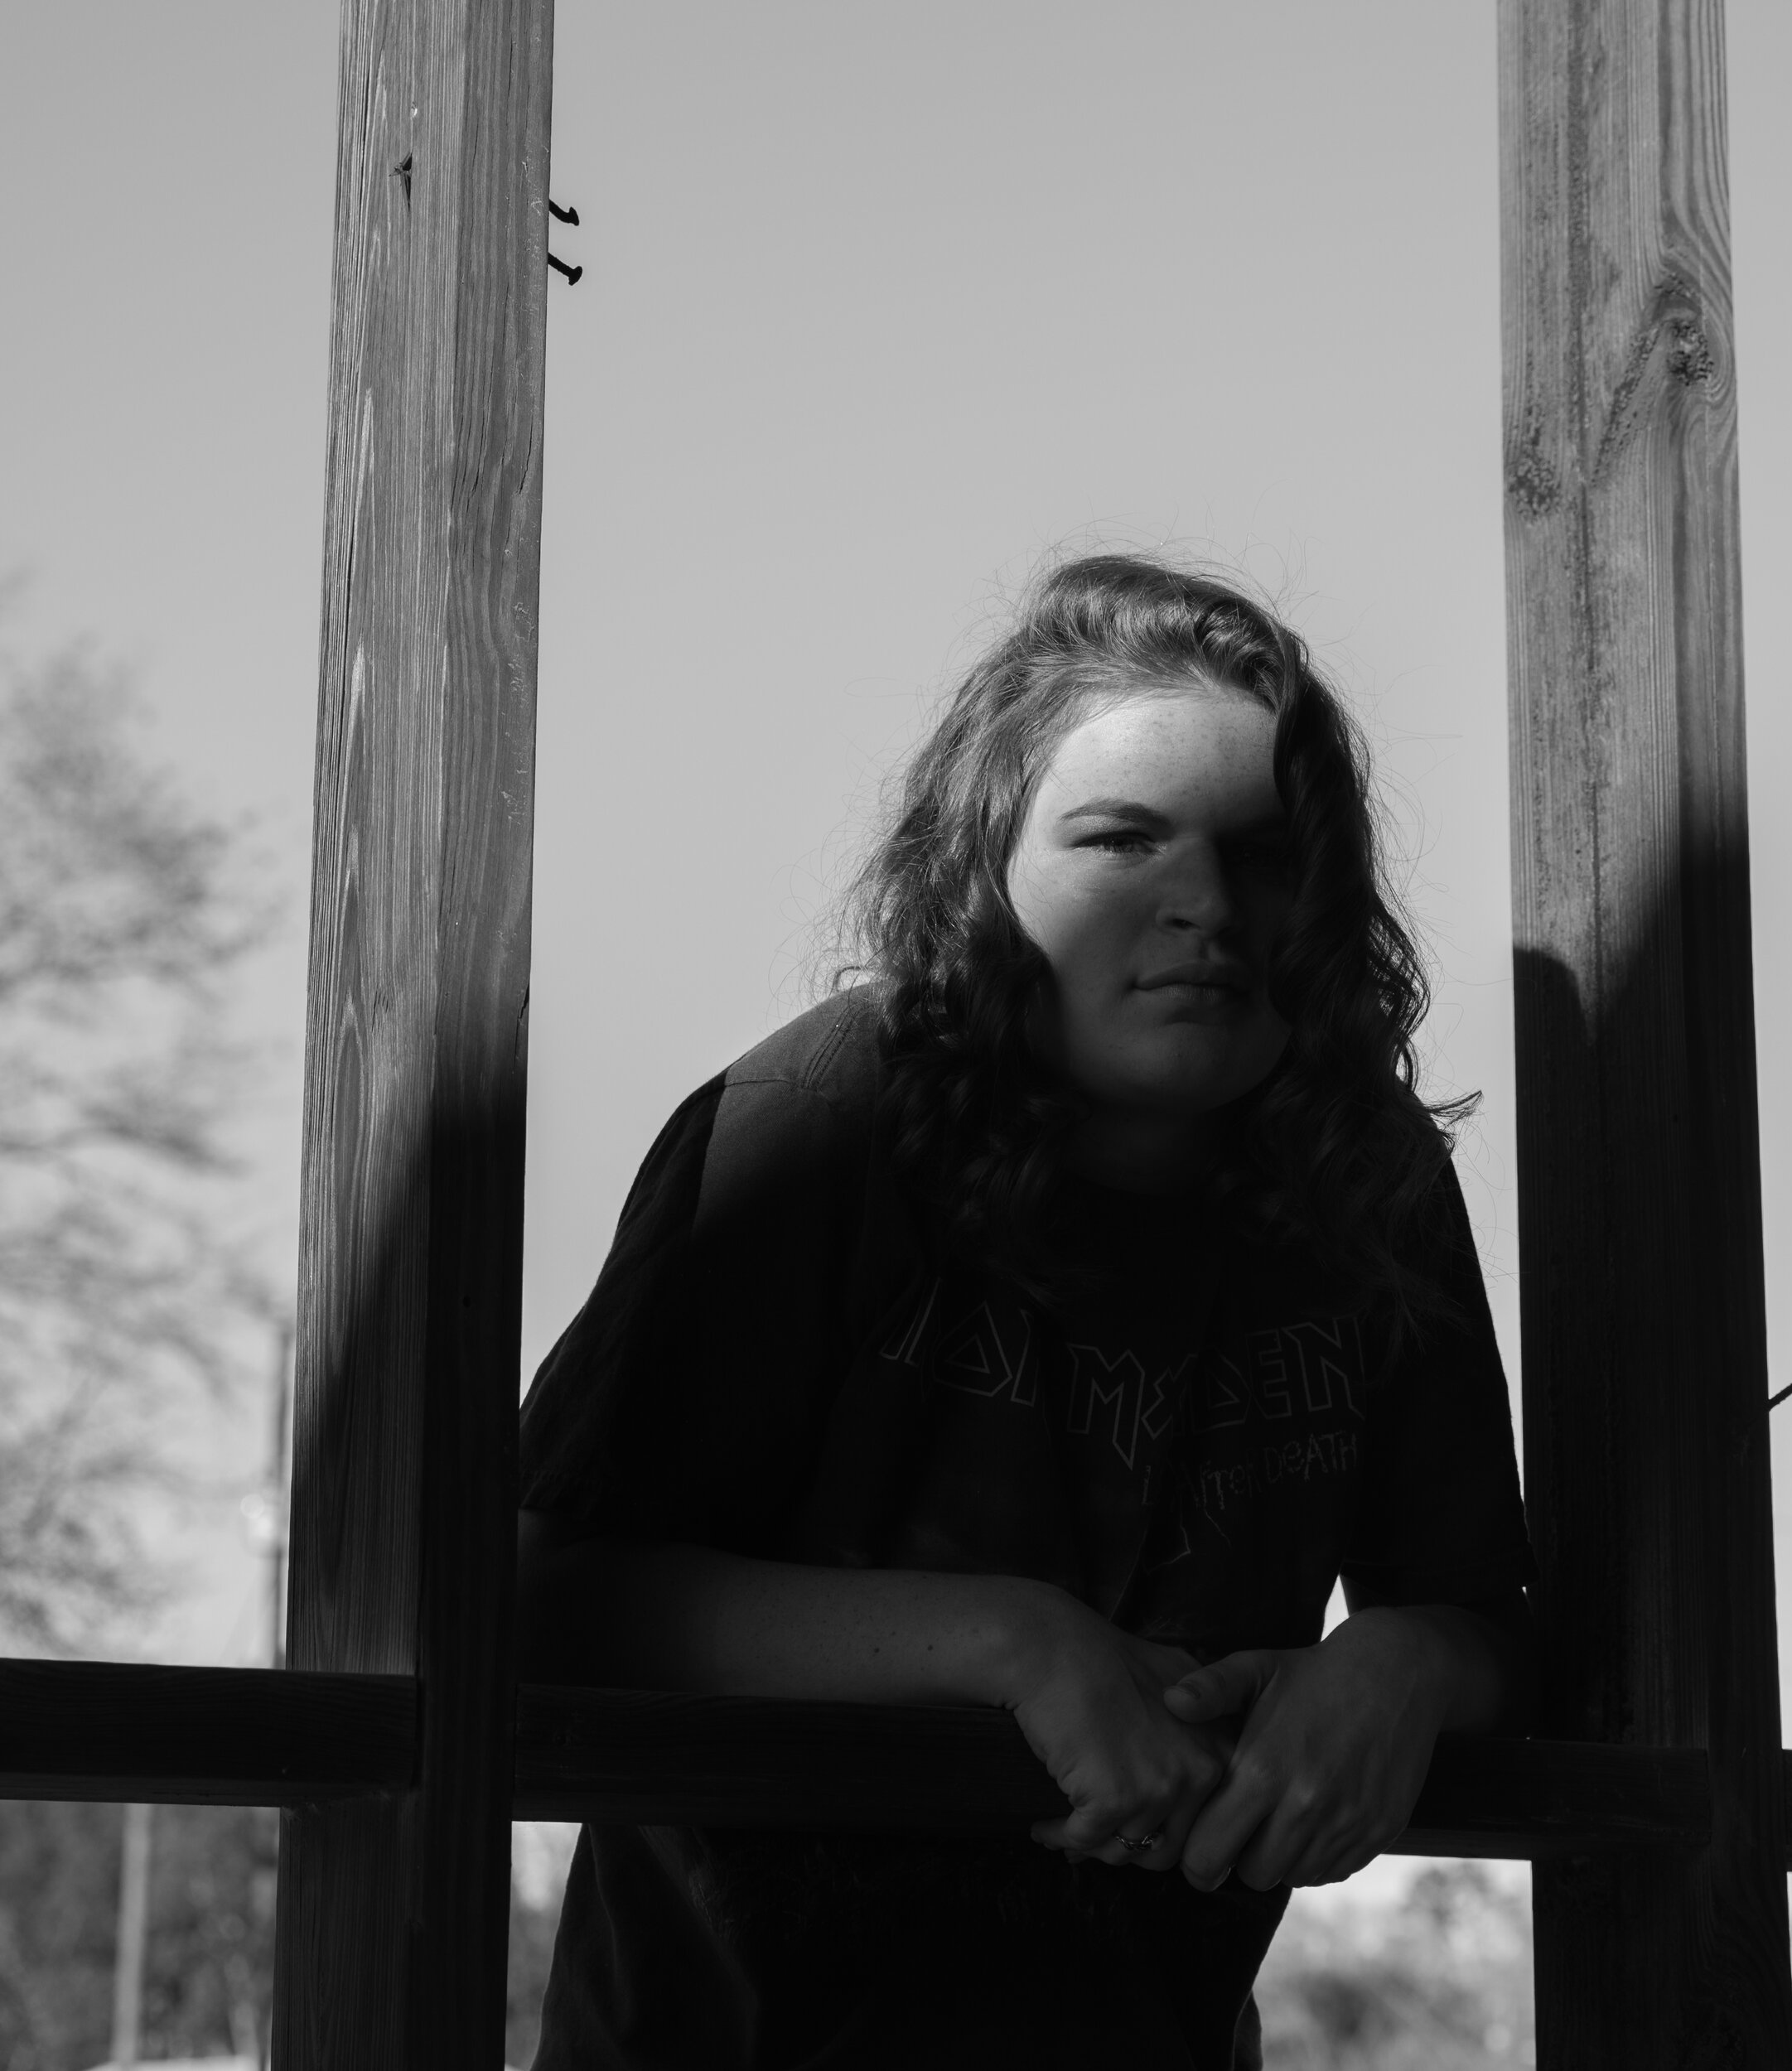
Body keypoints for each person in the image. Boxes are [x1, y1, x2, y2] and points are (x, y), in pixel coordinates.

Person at [515, 553, 1536, 2069]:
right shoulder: (813, 1128)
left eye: (1267, 854)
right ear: (980, 870)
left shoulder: (1368, 1185)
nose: (1205, 903)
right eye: (1124, 838)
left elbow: (1492, 1630)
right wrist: (1008, 1645)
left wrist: (1400, 1670)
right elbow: (540, 1597)